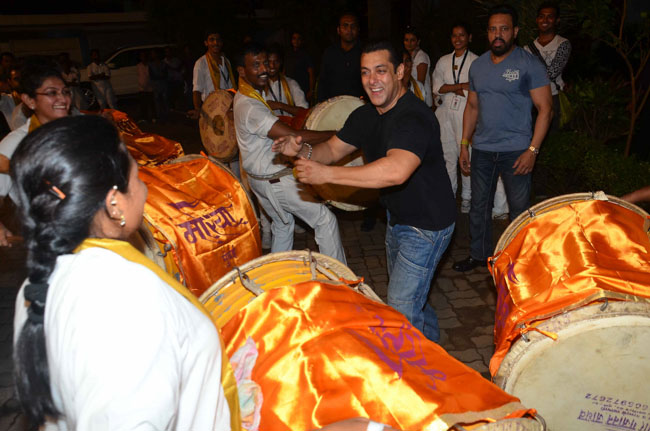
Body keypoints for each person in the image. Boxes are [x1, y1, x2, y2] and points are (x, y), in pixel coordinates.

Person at [273, 40, 456, 342]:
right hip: (398, 218)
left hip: (428, 224)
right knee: (414, 299)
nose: (372, 80)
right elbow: (332, 150)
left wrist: (327, 175)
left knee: (401, 304)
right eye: (365, 72)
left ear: (400, 72)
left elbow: (396, 170)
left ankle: (413, 367)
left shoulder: (414, 117)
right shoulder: (366, 115)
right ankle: (434, 354)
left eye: (381, 71)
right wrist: (301, 151)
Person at [453, 4, 552, 272]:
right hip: (483, 149)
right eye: (493, 29)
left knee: (518, 210)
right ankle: (479, 255)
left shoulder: (529, 64)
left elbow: (546, 109)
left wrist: (532, 150)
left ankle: (520, 262)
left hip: (516, 151)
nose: (498, 34)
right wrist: (464, 145)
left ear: (515, 31)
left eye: (504, 29)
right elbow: (472, 107)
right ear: (487, 33)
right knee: (478, 207)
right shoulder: (478, 66)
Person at [233, 42, 346, 263]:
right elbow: (294, 136)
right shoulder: (251, 106)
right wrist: (339, 134)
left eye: (265, 63)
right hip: (273, 181)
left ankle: (278, 275)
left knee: (283, 225)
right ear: (241, 71)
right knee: (325, 220)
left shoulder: (245, 96)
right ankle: (339, 278)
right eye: (256, 65)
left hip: (260, 180)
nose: (264, 69)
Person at [431, 22, 509, 216]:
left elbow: (478, 90)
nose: (457, 39)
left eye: (462, 35)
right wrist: (460, 86)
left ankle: (468, 197)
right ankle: (449, 197)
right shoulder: (443, 61)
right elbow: (437, 87)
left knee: (467, 157)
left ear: (469, 38)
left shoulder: (478, 61)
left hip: (466, 112)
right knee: (448, 157)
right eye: (454, 35)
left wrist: (451, 88)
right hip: (445, 113)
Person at [0, 61, 72, 246]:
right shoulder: (16, 143)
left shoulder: (75, 133)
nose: (62, 99)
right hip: (47, 238)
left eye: (65, 92)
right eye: (52, 93)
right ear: (29, 100)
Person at [525, 1, 571, 131]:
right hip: (531, 100)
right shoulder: (527, 48)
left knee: (553, 137)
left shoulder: (563, 44)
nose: (545, 20)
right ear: (537, 20)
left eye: (550, 16)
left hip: (553, 97)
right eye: (541, 16)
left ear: (557, 20)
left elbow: (552, 73)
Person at [189, 30, 235, 120]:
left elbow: (231, 88)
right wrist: (197, 109)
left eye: (218, 40)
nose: (215, 43)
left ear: (222, 43)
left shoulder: (226, 61)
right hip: (210, 109)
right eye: (212, 40)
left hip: (227, 108)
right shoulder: (201, 63)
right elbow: (197, 89)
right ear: (206, 43)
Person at [317, 12, 363, 102]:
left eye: (353, 26)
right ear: (338, 30)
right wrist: (321, 103)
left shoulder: (365, 53)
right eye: (345, 26)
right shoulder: (330, 53)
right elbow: (323, 81)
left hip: (358, 104)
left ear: (358, 30)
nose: (349, 30)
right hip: (333, 104)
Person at [264, 44, 309, 117]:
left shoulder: (291, 83)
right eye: (269, 62)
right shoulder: (259, 86)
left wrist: (280, 105)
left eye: (276, 62)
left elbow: (304, 112)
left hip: (288, 124)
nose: (272, 66)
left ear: (281, 63)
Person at [403, 27, 432, 107]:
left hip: (421, 99)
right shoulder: (406, 56)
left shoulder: (421, 56)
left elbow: (420, 83)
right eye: (406, 40)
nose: (409, 43)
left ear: (418, 42)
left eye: (412, 40)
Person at [284, 30, 315, 101]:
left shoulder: (306, 55)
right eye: (294, 38)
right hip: (289, 88)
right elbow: (284, 71)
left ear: (302, 41)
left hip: (302, 88)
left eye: (298, 39)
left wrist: (311, 90)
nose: (296, 41)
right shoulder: (288, 54)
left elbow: (311, 73)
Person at [136, 50, 155, 122]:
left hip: (150, 87)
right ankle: (144, 118)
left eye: (144, 56)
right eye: (141, 56)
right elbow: (139, 76)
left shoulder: (150, 65)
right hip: (142, 88)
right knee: (143, 104)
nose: (143, 58)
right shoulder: (139, 66)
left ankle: (153, 117)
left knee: (151, 103)